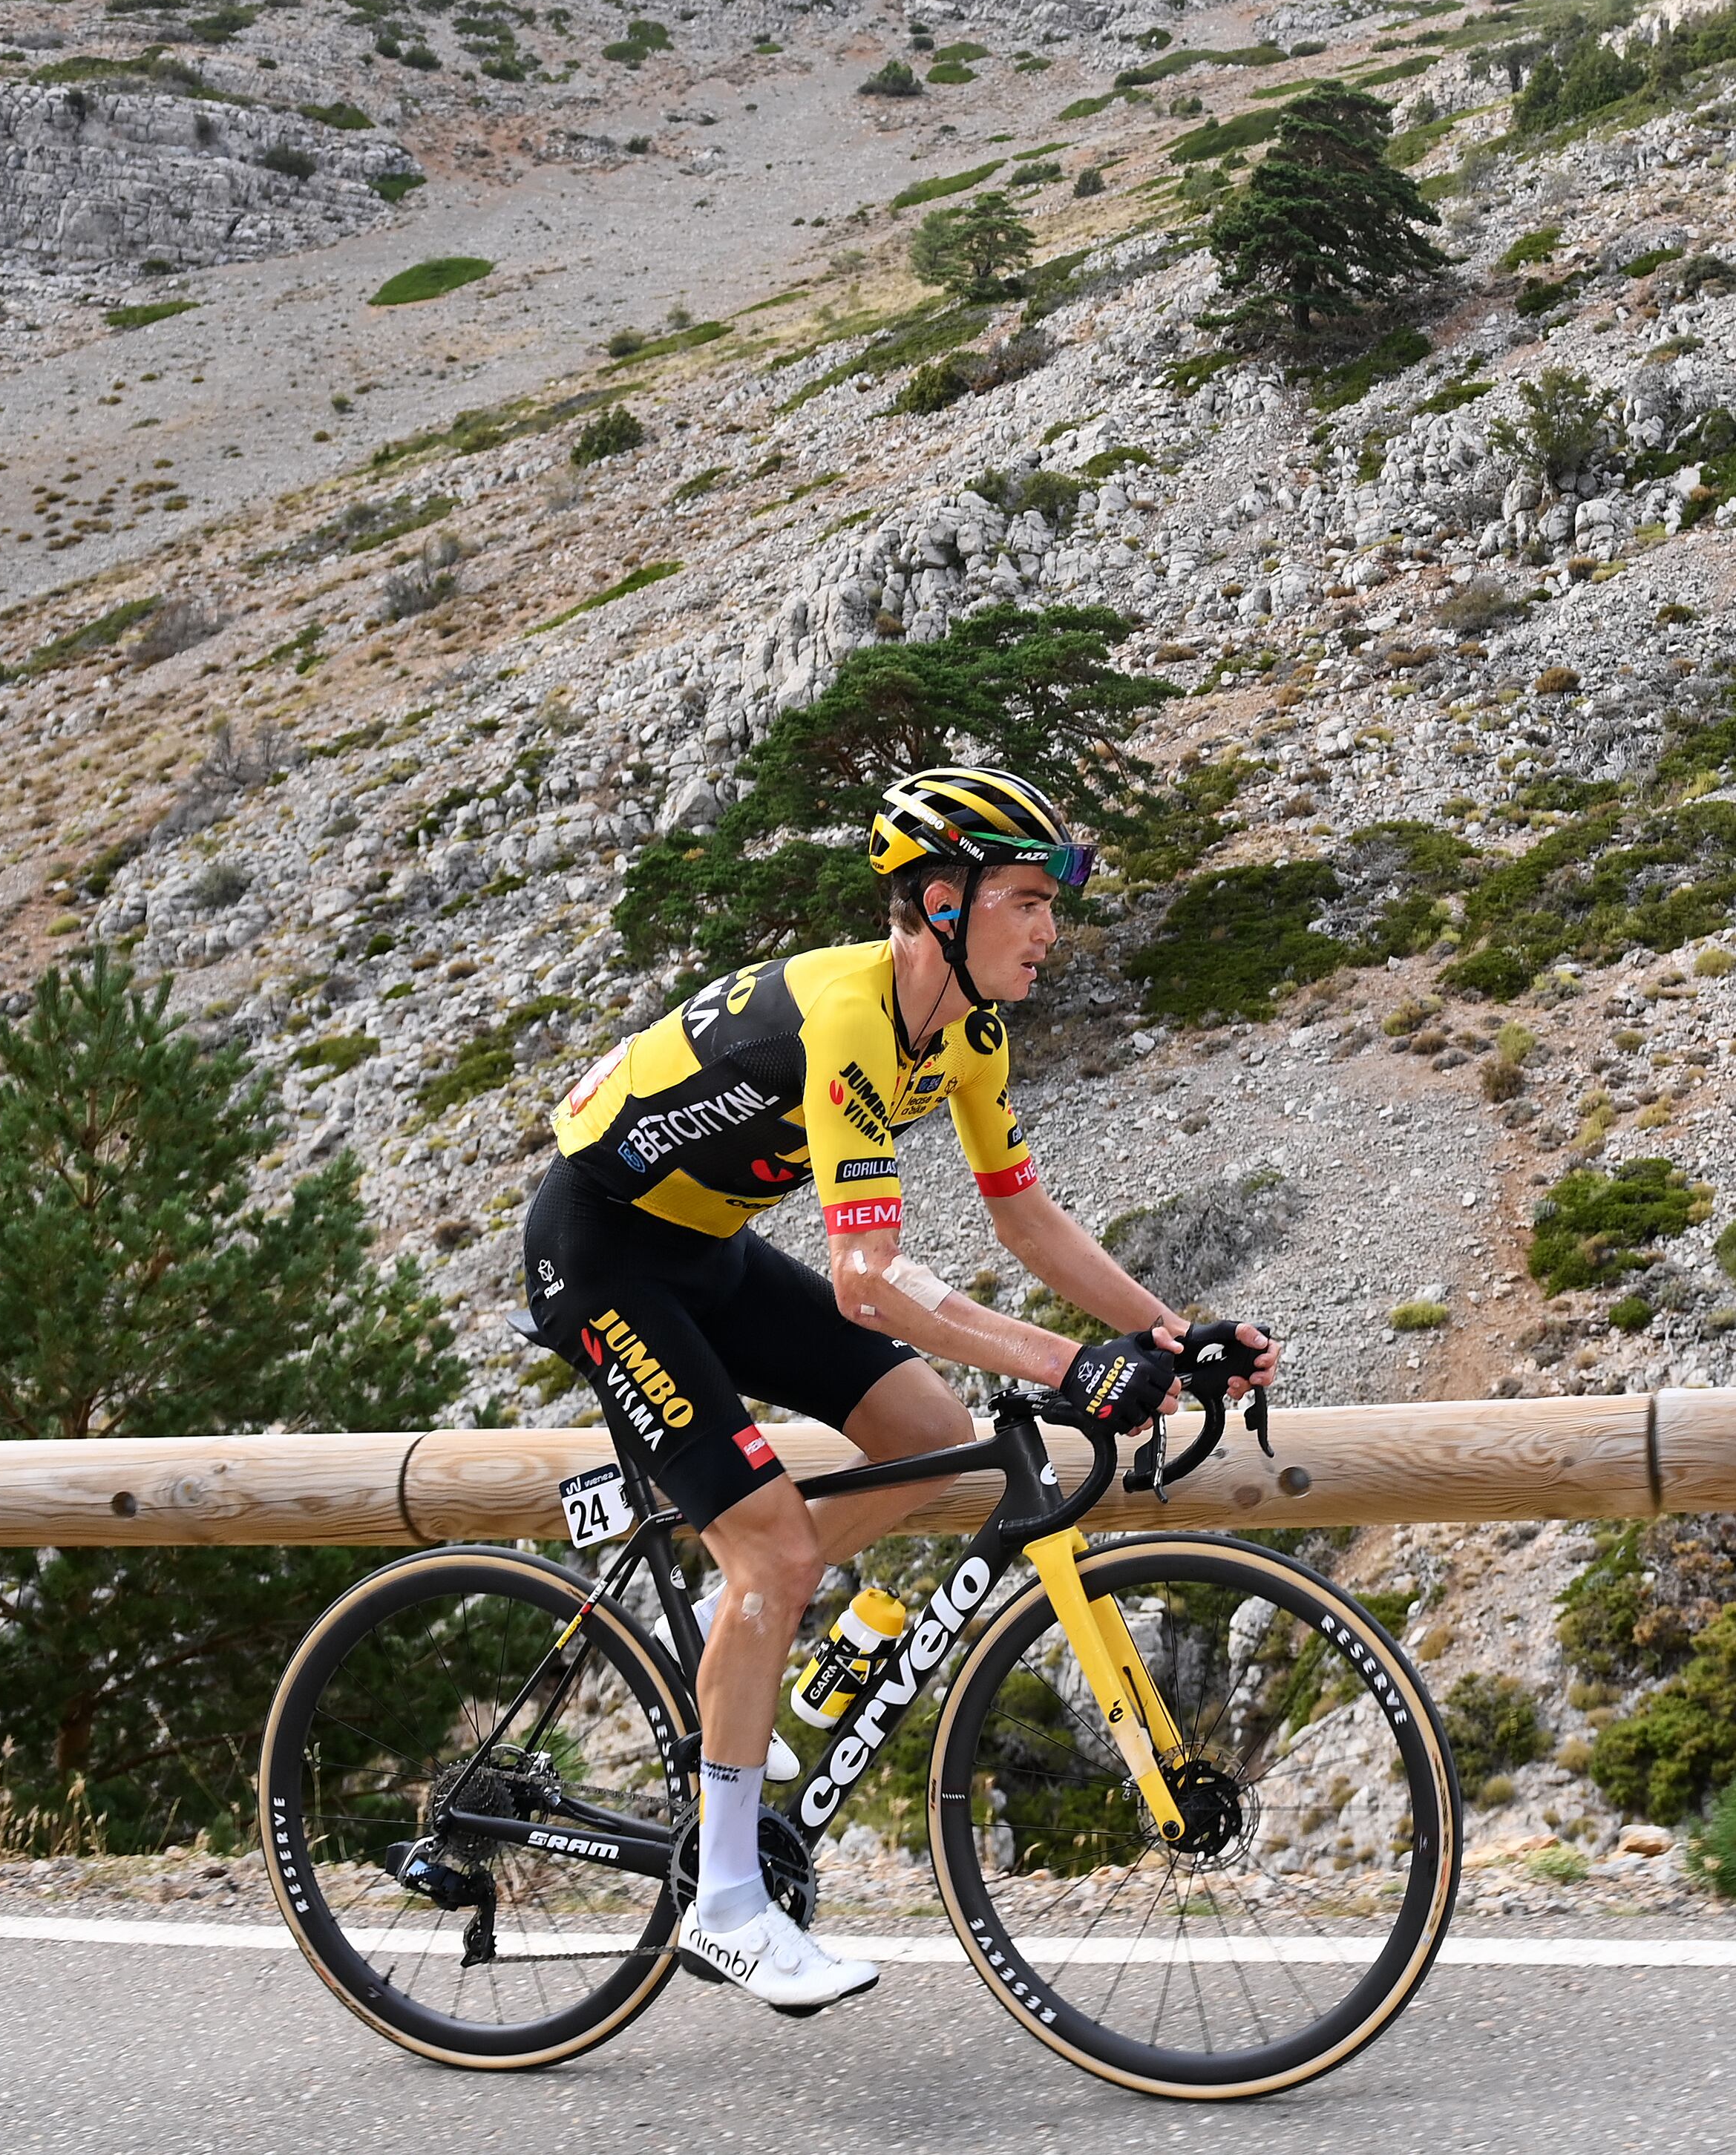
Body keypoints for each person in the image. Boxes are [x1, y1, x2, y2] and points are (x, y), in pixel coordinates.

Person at [520, 764, 1277, 2013]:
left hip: (702, 1248)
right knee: (771, 1554)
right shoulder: (850, 1021)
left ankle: (751, 1628)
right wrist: (1070, 1362)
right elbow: (867, 1283)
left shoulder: (969, 1033)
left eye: (1050, 902)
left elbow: (1025, 1217)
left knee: (929, 1428)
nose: (1049, 930)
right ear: (941, 900)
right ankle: (725, 1901)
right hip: (599, 1248)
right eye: (1027, 899)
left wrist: (1171, 1329)